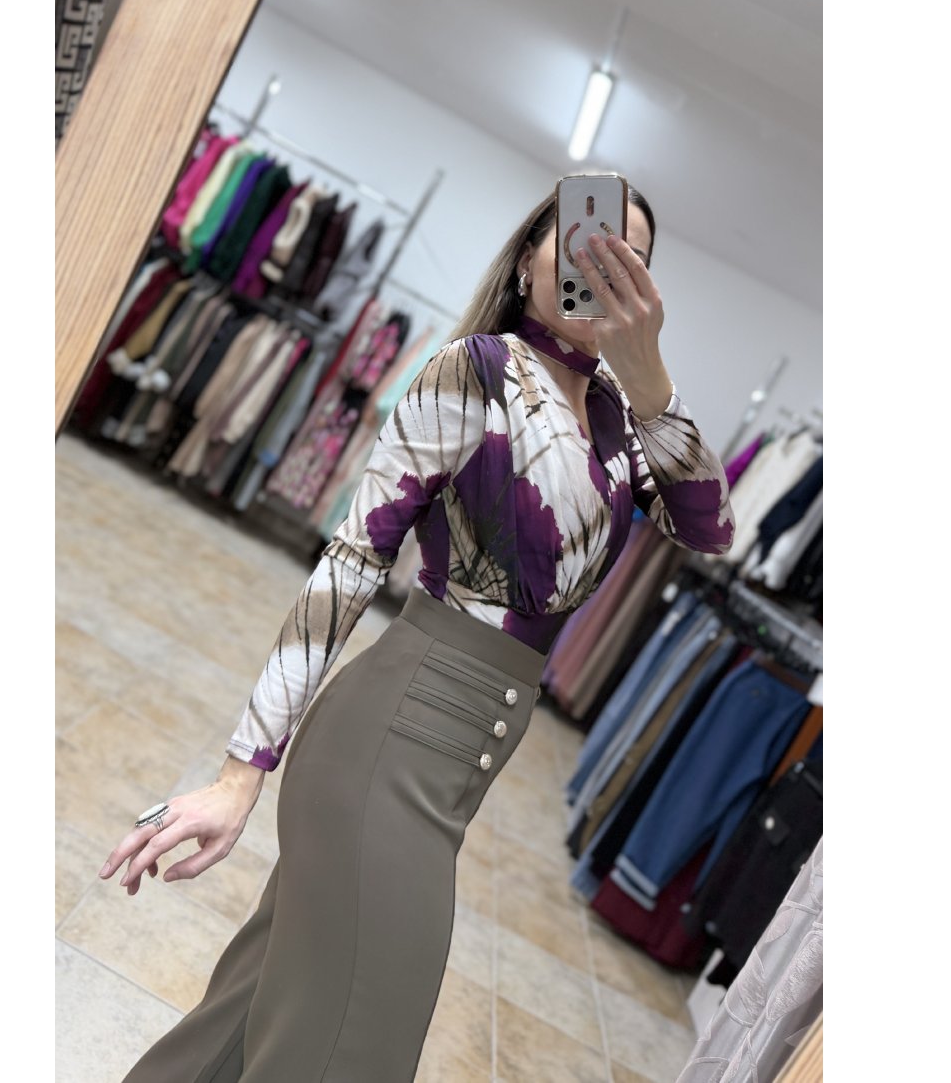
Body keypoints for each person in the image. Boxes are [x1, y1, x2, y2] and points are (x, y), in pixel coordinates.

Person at [99, 182, 735, 1082]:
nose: (600, 265)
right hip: (389, 746)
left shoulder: (620, 423)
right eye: (582, 239)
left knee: (243, 1030)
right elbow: (353, 559)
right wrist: (241, 773)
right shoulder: (475, 370)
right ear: (528, 258)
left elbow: (709, 528)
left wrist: (649, 372)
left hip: (447, 768)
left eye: (625, 257)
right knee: (350, 1051)